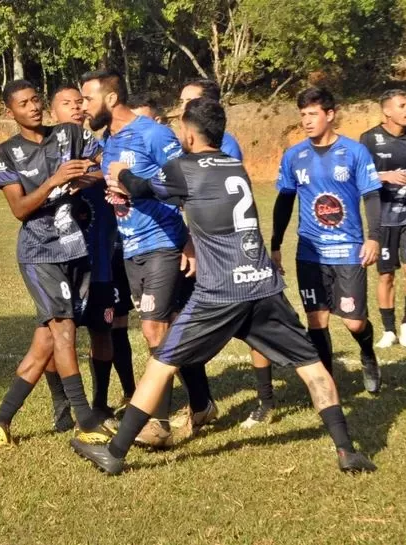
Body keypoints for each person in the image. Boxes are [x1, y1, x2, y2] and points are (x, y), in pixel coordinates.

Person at [69, 97, 377, 475]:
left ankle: (114, 453)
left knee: (162, 363)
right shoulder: (235, 166)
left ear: (190, 134)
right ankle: (347, 451)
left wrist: (118, 172)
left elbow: (141, 186)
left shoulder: (185, 167)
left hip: (220, 293)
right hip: (264, 285)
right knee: (312, 367)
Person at [80, 69, 215, 447]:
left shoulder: (153, 134)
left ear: (110, 99)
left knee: (154, 330)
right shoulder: (108, 141)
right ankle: (202, 403)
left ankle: (158, 422)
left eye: (88, 99)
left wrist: (189, 240)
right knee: (168, 329)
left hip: (162, 243)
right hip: (131, 249)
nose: (83, 107)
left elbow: (185, 186)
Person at [0, 80, 114, 446]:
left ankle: (0, 421)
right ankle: (85, 419)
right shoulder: (6, 153)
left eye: (35, 100)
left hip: (76, 249)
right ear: (11, 112)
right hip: (40, 252)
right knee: (64, 331)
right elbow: (20, 209)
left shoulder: (70, 134)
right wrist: (55, 180)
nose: (33, 107)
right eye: (23, 104)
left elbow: (106, 169)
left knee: (45, 341)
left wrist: (83, 179)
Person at [33, 85, 136, 432]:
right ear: (53, 113)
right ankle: (61, 404)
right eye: (67, 104)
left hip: (101, 263)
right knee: (54, 337)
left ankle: (101, 402)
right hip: (58, 262)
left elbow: (110, 171)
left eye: (80, 102)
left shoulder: (102, 148)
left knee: (101, 332)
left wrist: (87, 174)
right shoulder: (44, 155)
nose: (77, 109)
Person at [272, 87, 383, 394]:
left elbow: (371, 195)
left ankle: (368, 354)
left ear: (330, 115)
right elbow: (284, 202)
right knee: (317, 320)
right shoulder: (294, 156)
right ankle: (327, 384)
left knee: (354, 323)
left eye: (313, 114)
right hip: (310, 251)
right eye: (303, 115)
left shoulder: (354, 152)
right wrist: (276, 244)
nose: (307, 121)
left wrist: (374, 238)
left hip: (349, 250)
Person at [178, 78, 275, 427]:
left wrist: (192, 242)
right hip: (207, 248)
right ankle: (201, 401)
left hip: (225, 256)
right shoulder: (194, 149)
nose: (181, 108)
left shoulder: (222, 149)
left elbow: (216, 203)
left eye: (189, 102)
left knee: (251, 327)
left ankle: (264, 401)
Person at [359, 90, 406, 349]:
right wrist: (385, 177)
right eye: (402, 106)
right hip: (384, 219)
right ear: (387, 111)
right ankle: (388, 330)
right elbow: (359, 178)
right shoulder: (369, 139)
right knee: (386, 276)